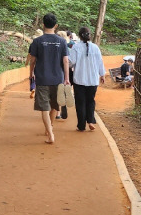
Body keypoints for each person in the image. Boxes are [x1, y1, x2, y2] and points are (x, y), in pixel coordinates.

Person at [27, 13, 70, 144]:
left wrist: (31, 73)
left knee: (44, 106)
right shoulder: (62, 41)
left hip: (42, 78)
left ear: (43, 24)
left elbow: (32, 60)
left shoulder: (37, 41)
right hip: (58, 78)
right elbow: (66, 61)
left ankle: (50, 133)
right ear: (56, 26)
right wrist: (66, 78)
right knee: (54, 105)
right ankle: (50, 126)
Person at [68, 26, 106, 132]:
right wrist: (102, 75)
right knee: (91, 101)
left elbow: (71, 62)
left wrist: (67, 66)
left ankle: (81, 126)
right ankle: (90, 121)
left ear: (79, 36)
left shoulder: (76, 47)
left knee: (80, 102)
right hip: (93, 80)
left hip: (79, 80)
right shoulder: (95, 47)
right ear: (89, 35)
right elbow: (100, 62)